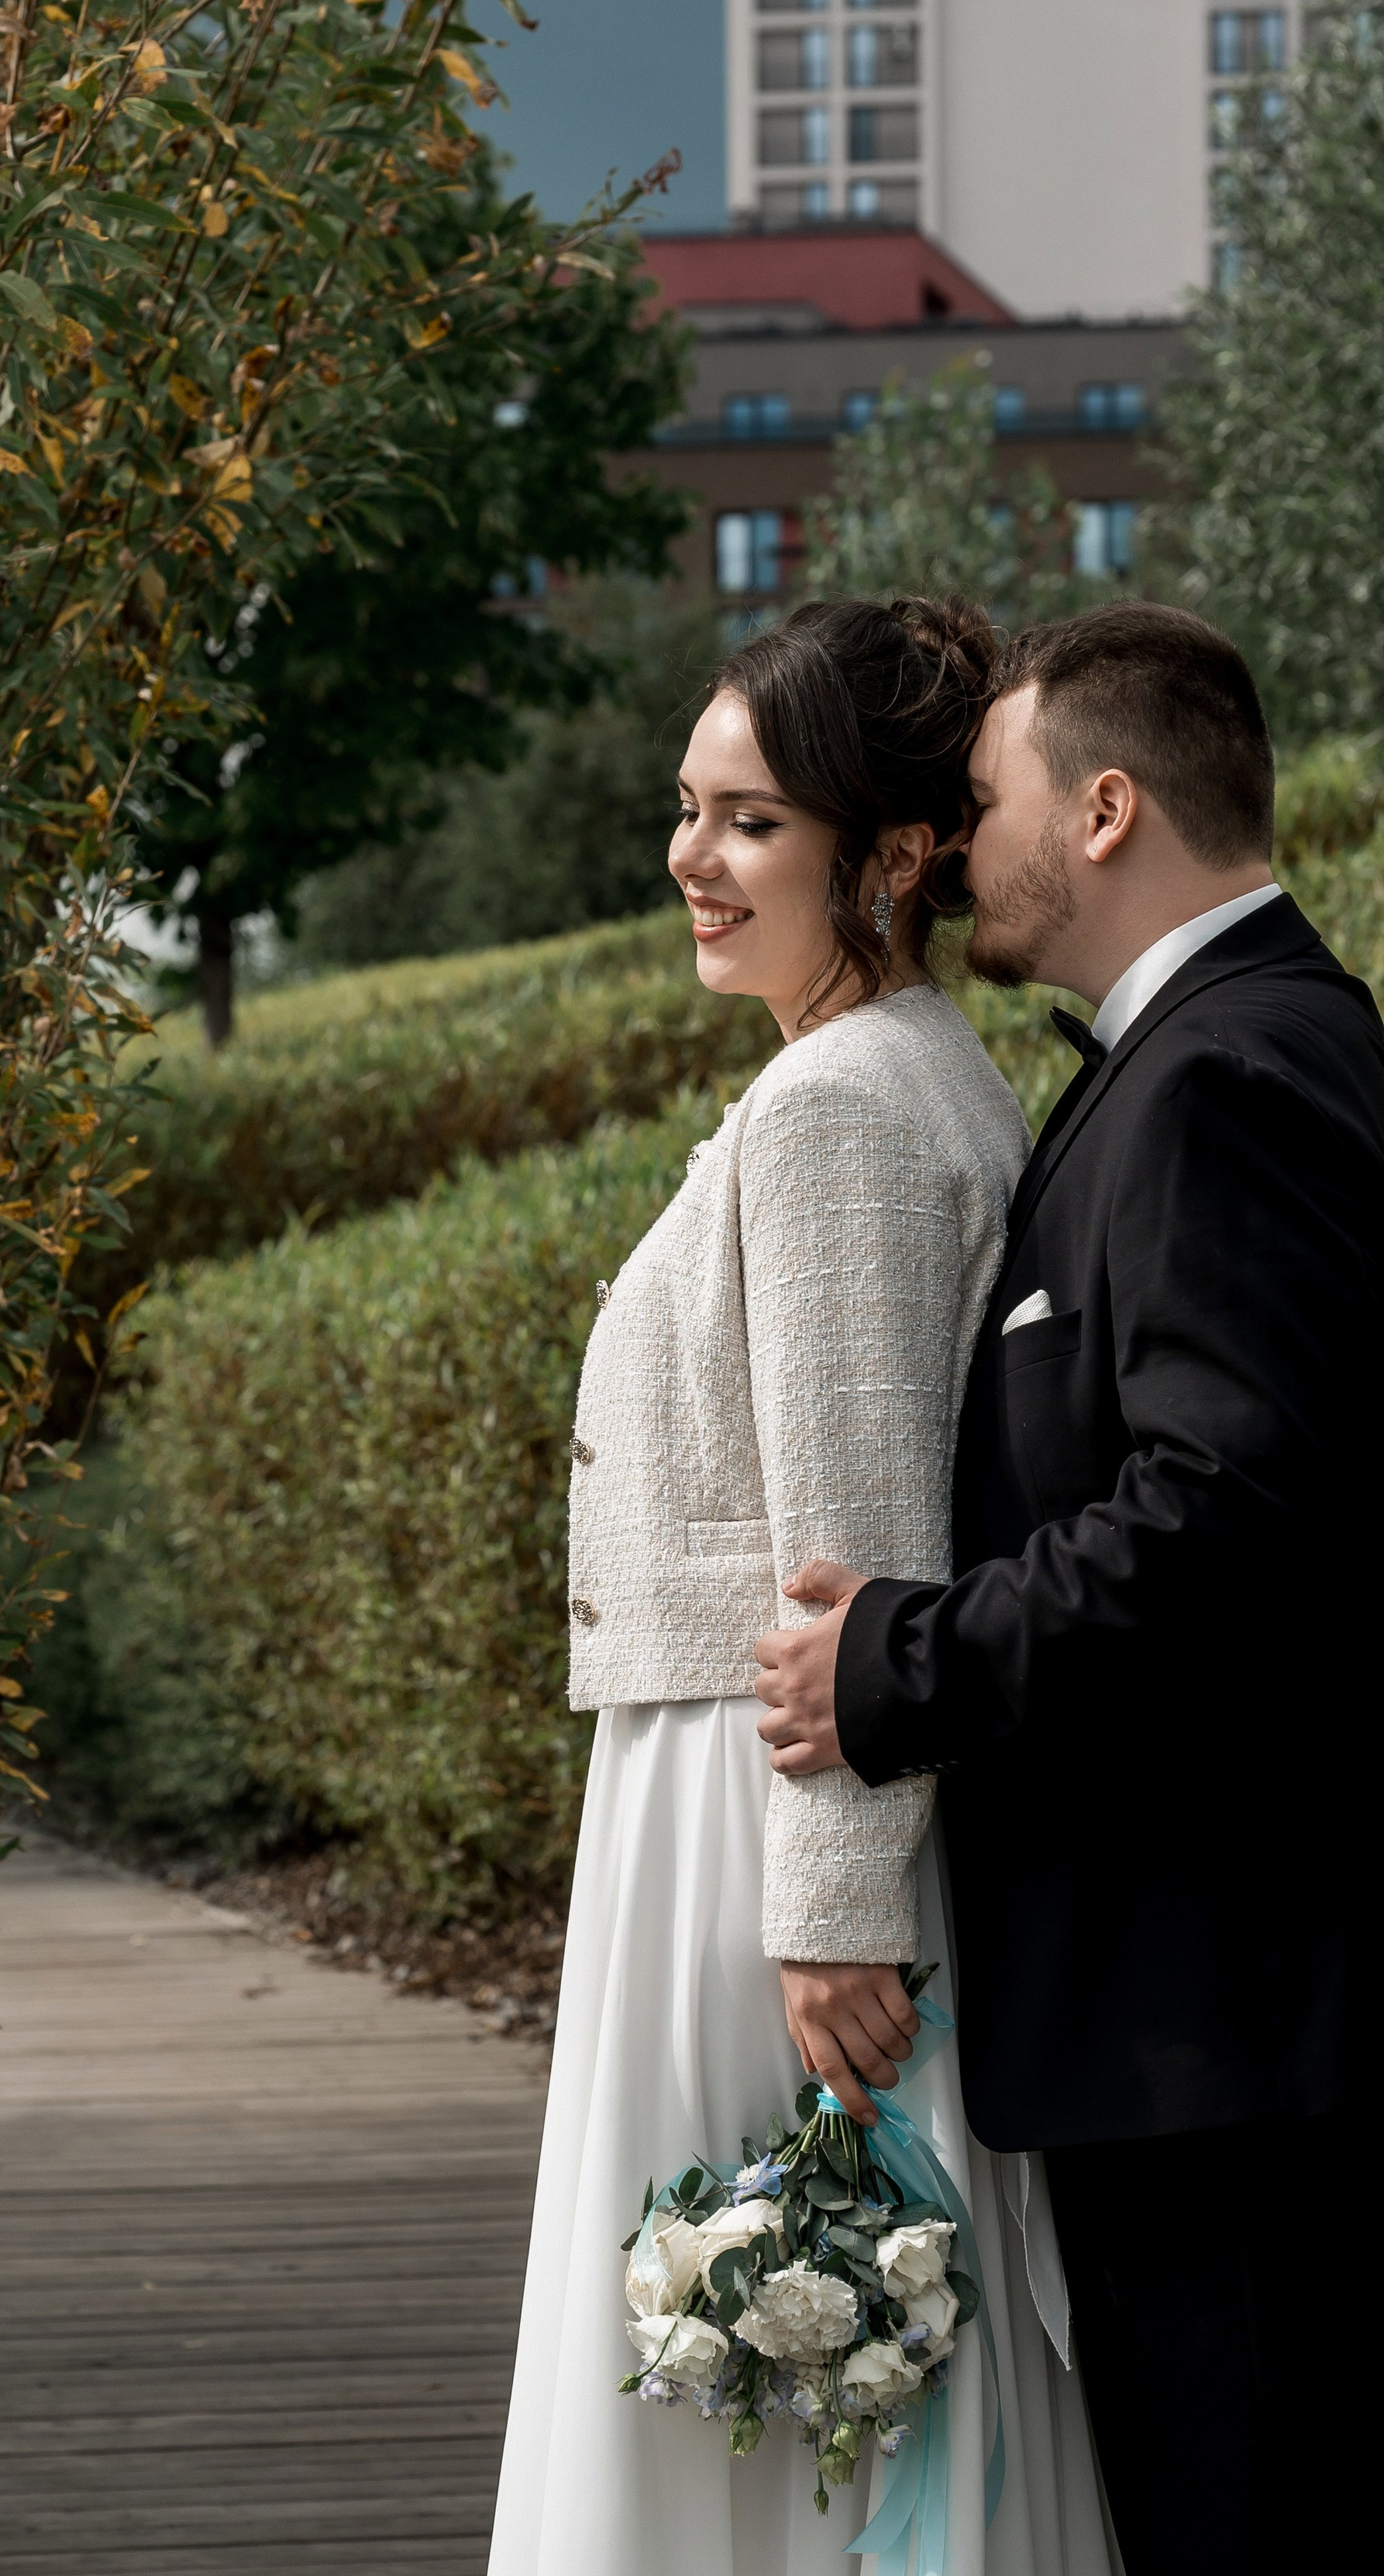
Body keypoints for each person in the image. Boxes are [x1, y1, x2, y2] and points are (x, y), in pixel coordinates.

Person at [753, 604, 1383, 2576]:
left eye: (990, 795)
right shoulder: (1227, 1049)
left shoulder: (1226, 1079)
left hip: (1229, 2034)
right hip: (1210, 2023)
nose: (954, 836)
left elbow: (1224, 1515)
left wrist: (895, 1661)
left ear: (1103, 808)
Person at [489, 599, 1116, 2576]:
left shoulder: (844, 1108)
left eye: (747, 820)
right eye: (685, 808)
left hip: (756, 1816)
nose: (689, 856)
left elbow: (856, 1558)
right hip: (756, 1795)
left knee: (765, 2394)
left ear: (897, 851)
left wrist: (832, 1913)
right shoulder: (894, 1071)